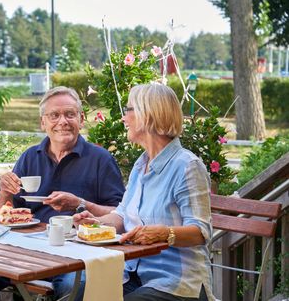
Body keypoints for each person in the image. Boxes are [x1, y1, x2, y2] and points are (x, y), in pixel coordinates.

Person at [0, 86, 125, 301]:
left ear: (81, 119)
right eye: (54, 115)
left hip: (76, 253)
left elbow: (121, 214)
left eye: (70, 114)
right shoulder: (30, 157)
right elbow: (3, 211)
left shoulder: (101, 160)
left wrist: (81, 203)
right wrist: (4, 194)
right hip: (28, 249)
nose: (63, 122)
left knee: (75, 286)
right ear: (43, 123)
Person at [74, 83, 214, 301]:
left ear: (148, 114)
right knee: (81, 294)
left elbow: (200, 232)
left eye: (128, 110)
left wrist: (165, 234)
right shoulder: (141, 164)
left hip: (176, 282)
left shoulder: (186, 166)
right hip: (133, 274)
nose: (123, 118)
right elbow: (121, 215)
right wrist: (96, 224)